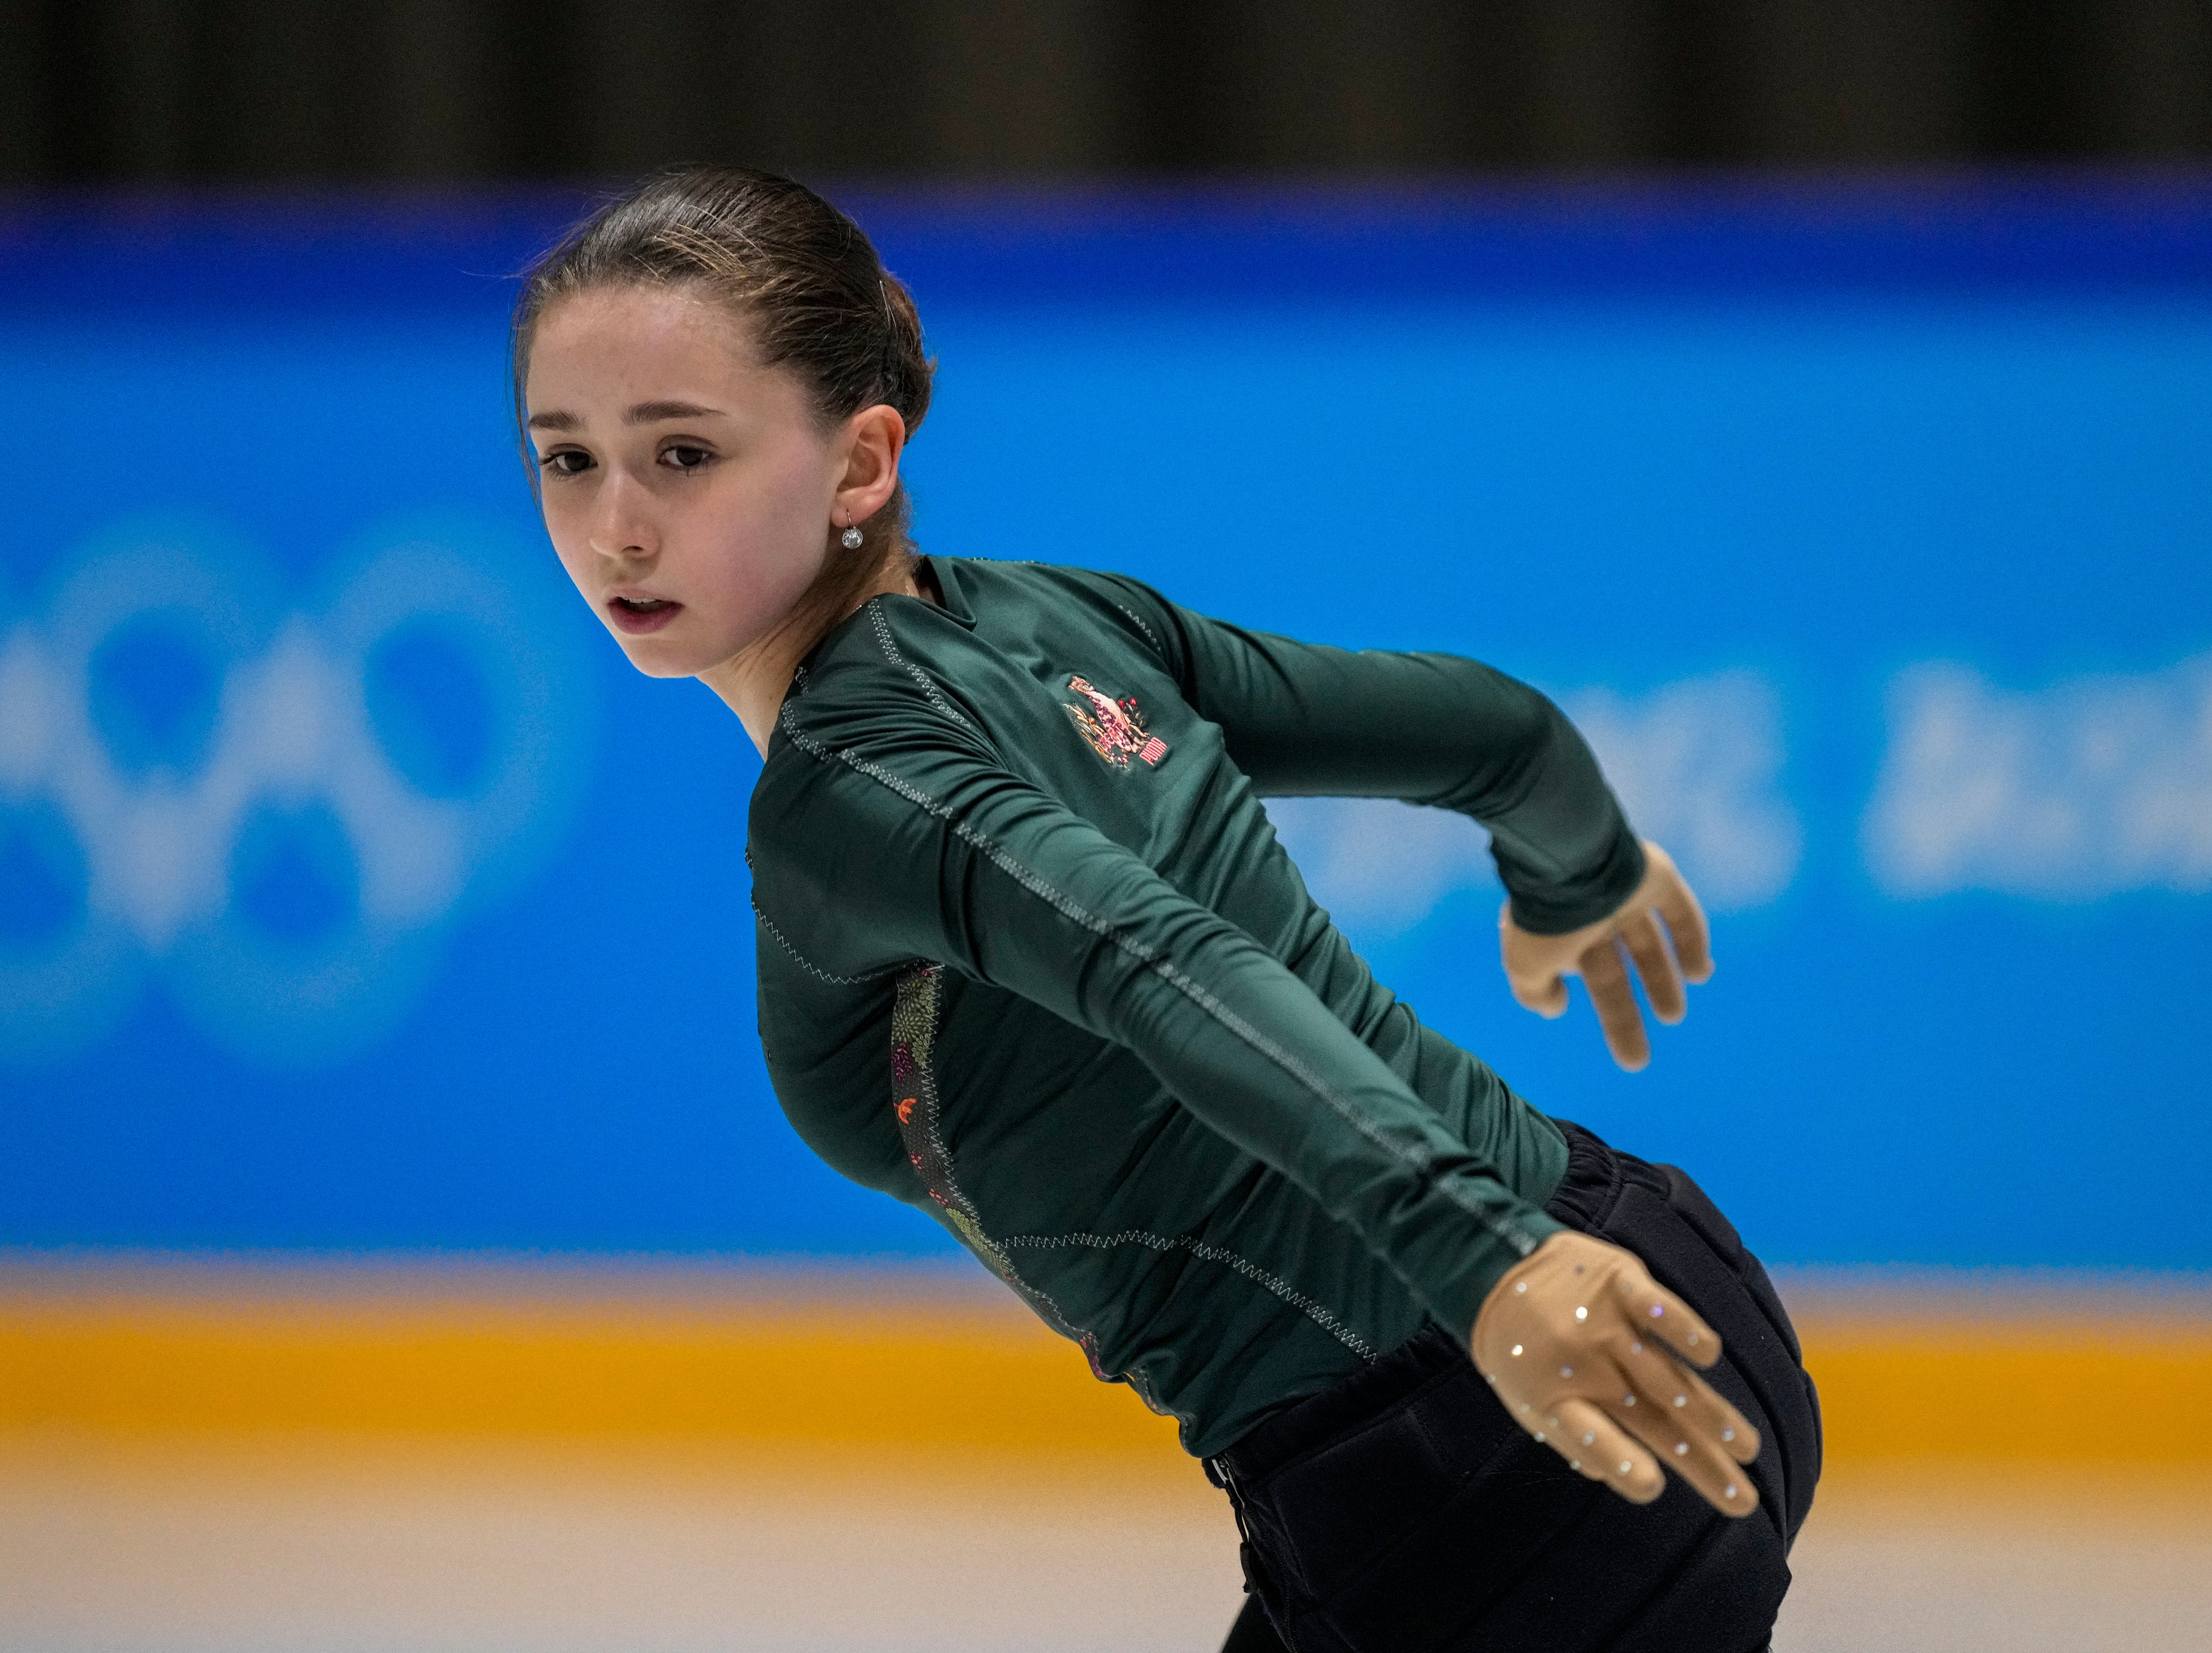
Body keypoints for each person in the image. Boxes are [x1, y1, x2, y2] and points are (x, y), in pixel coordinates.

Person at [512, 165, 1821, 1653]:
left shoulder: (850, 792)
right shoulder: (1054, 618)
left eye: (681, 453)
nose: (614, 526)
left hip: (1495, 1442)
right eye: (565, 458)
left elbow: (1157, 962)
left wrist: (1482, 1259)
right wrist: (1575, 871)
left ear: (858, 461)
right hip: (1647, 1279)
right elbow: (1491, 733)